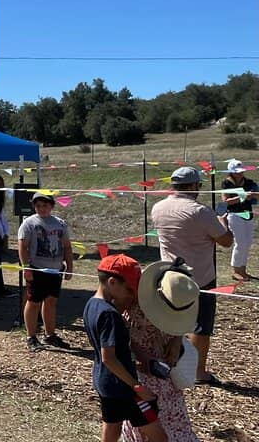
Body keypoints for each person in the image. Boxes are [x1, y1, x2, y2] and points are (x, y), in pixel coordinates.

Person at [151, 166, 234, 384]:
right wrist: (223, 220)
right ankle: (198, 372)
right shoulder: (200, 211)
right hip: (200, 278)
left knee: (170, 322)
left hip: (169, 276)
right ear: (194, 186)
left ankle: (166, 363)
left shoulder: (158, 208)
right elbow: (226, 241)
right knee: (201, 326)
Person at [84, 254, 166, 442]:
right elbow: (109, 358)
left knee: (112, 428)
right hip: (124, 389)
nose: (131, 294)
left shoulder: (91, 305)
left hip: (103, 382)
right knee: (160, 437)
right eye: (128, 288)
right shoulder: (110, 315)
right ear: (112, 282)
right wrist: (137, 387)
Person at [122, 259, 201, 442]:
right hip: (141, 372)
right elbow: (122, 336)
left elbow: (178, 326)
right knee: (151, 424)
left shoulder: (179, 298)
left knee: (169, 419)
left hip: (164, 371)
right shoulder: (134, 300)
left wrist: (176, 339)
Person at [18, 192, 74, 351]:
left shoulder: (60, 224)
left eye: (45, 205)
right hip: (37, 269)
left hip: (55, 269)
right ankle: (31, 336)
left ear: (51, 206)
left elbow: (67, 247)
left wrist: (69, 266)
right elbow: (22, 246)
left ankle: (50, 335)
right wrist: (26, 267)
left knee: (51, 301)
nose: (41, 208)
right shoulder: (29, 223)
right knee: (34, 301)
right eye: (38, 206)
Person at [222, 159, 257, 282]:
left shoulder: (249, 182)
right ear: (231, 172)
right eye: (237, 172)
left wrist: (253, 194)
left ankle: (243, 270)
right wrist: (242, 197)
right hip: (235, 215)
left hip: (248, 214)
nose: (240, 174)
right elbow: (226, 201)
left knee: (247, 244)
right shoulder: (226, 183)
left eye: (241, 171)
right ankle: (236, 271)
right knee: (240, 243)